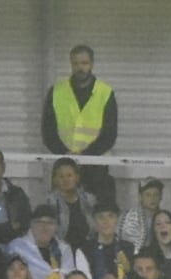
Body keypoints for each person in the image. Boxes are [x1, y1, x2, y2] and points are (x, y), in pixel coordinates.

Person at [41, 44, 119, 204]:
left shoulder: (105, 92)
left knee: (97, 214)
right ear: (71, 64)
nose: (80, 68)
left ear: (92, 64)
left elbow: (110, 134)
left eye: (84, 63)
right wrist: (65, 154)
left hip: (96, 165)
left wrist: (86, 156)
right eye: (76, 63)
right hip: (64, 166)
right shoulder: (56, 91)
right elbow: (48, 131)